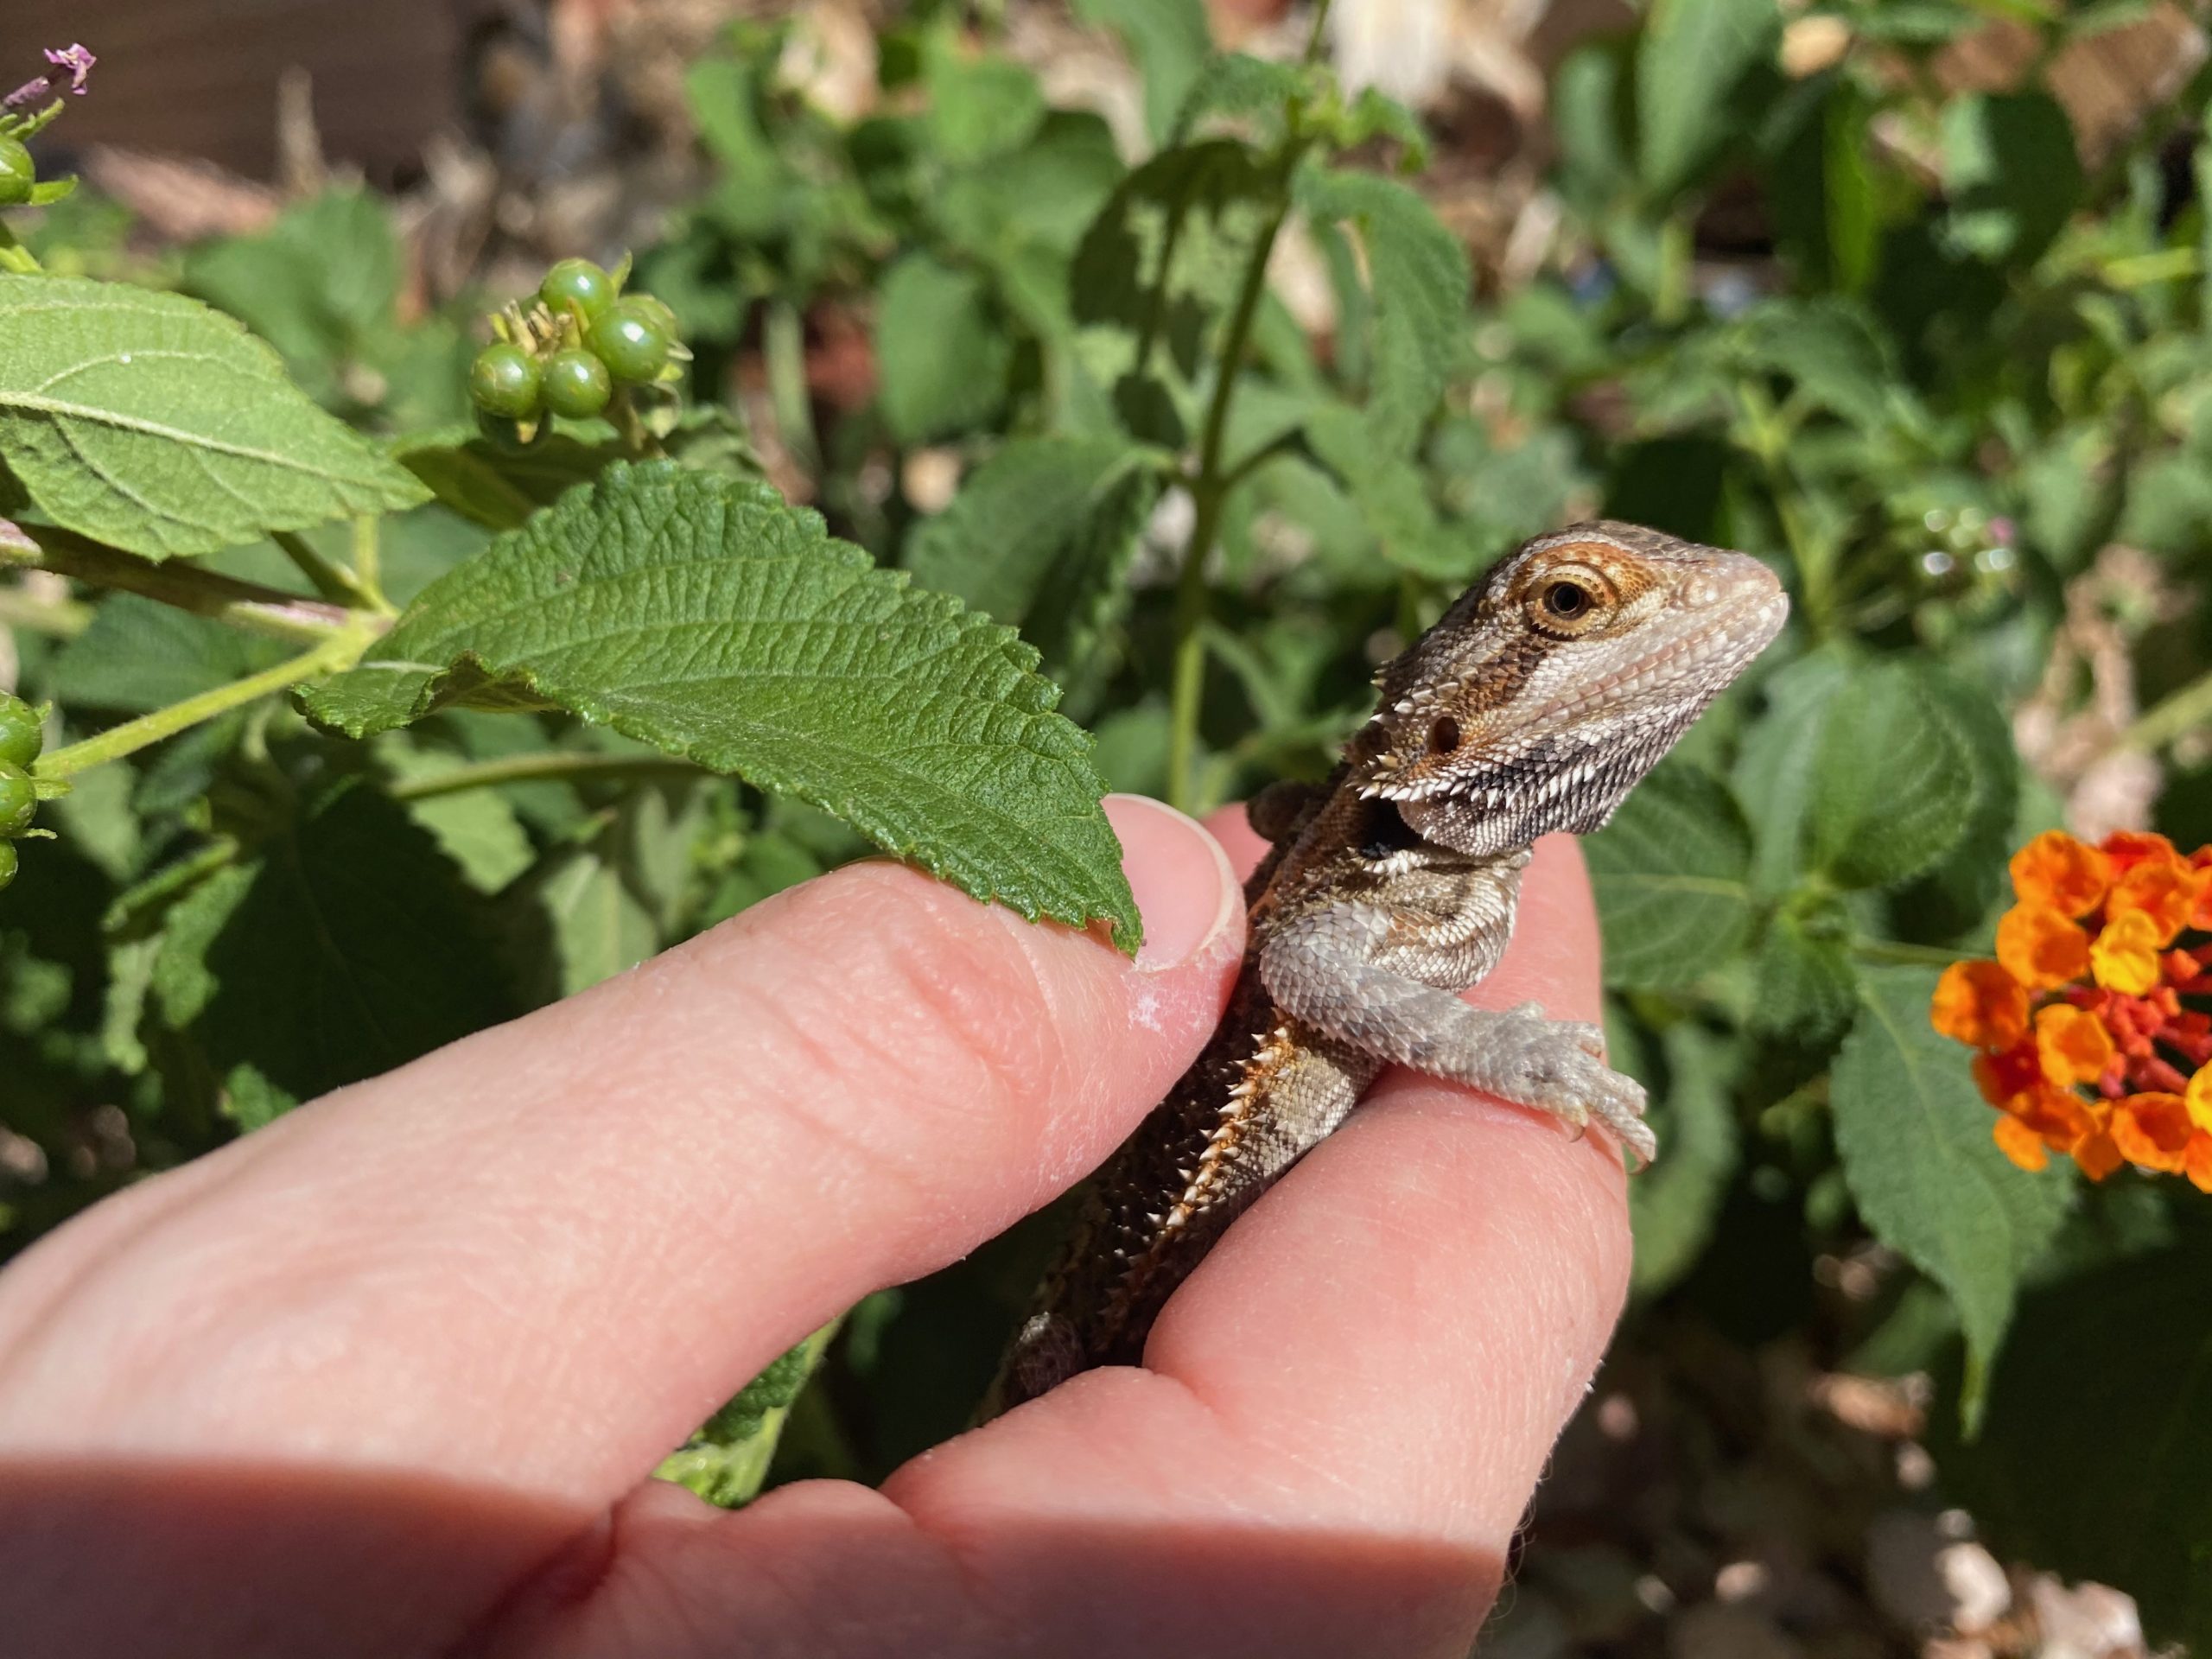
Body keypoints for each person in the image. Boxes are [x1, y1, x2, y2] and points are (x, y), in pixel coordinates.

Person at [0, 796, 1633, 1659]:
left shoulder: (1408, 854)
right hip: (1135, 1292)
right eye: (1565, 608)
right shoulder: (1372, 859)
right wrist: (1500, 1046)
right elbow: (1310, 972)